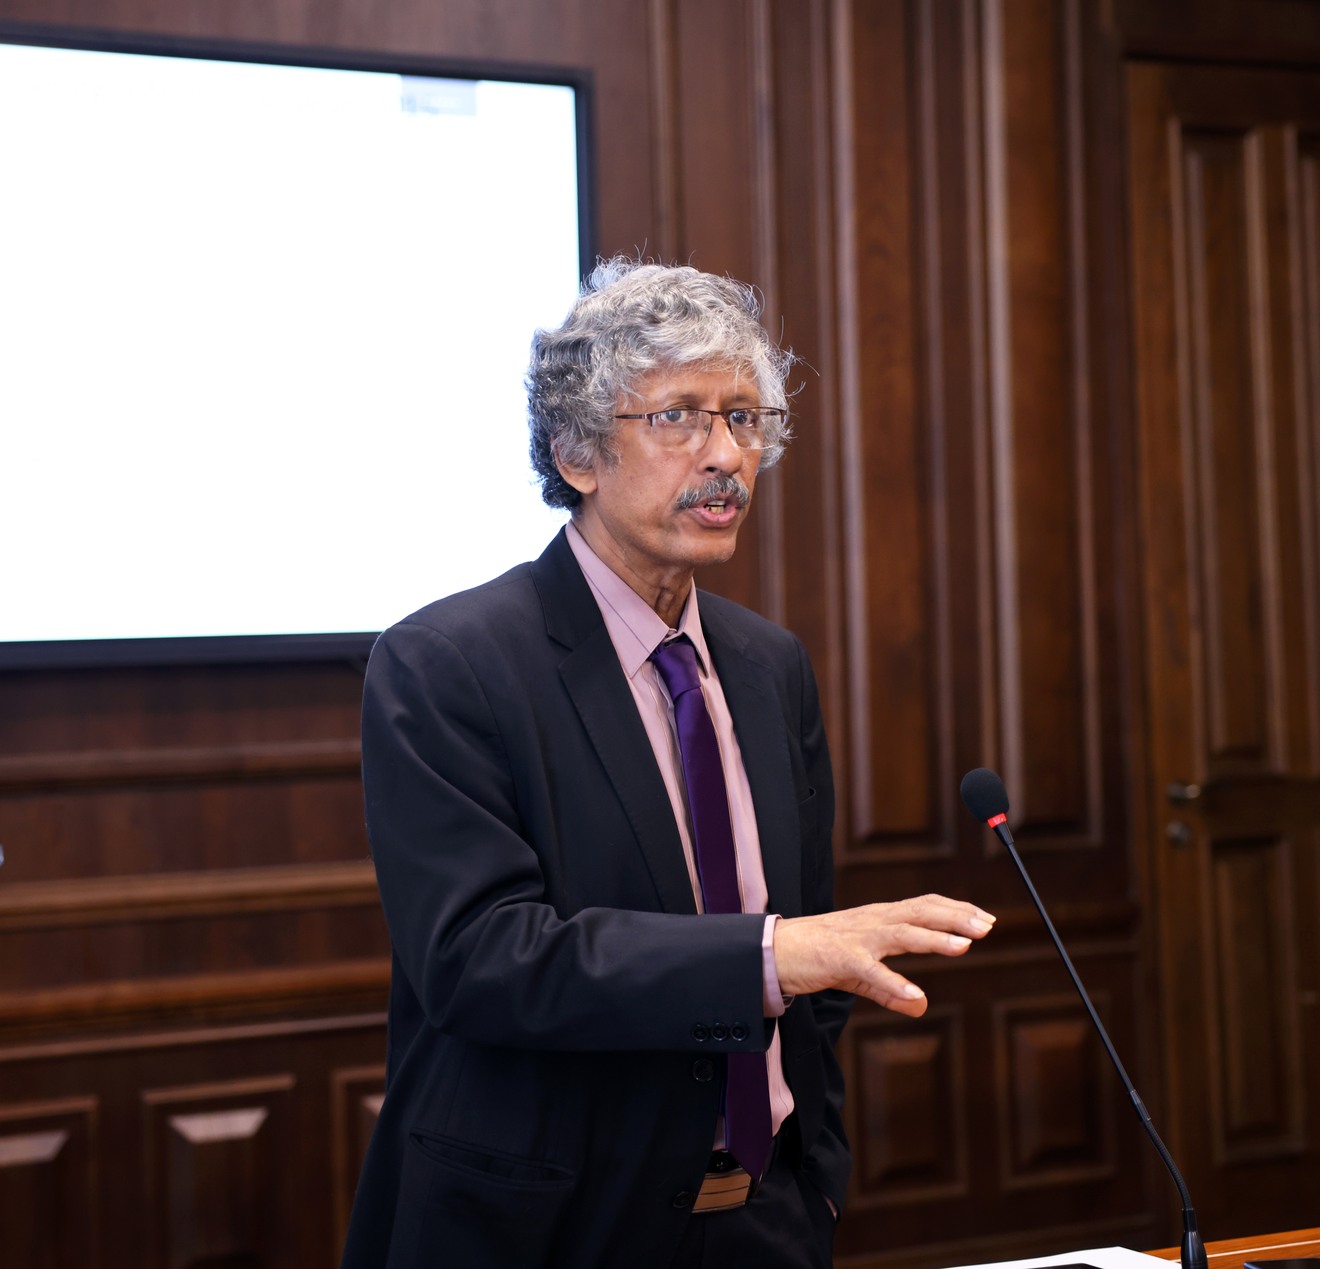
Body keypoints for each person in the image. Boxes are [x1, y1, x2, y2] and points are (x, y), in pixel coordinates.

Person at [342, 259, 995, 1268]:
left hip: (765, 1219)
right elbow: (481, 958)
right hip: (551, 1231)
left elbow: (812, 950)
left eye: (743, 418)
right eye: (678, 417)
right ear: (577, 453)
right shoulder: (447, 662)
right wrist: (767, 957)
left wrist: (814, 1177)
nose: (725, 455)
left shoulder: (768, 664)